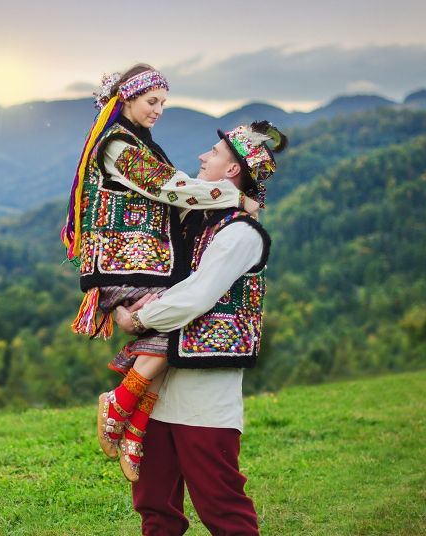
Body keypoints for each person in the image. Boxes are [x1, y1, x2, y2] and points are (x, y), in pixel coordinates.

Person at [60, 63, 260, 481]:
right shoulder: (119, 146)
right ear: (127, 99)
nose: (159, 110)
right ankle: (122, 405)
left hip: (143, 262)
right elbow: (169, 187)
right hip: (124, 264)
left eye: (164, 103)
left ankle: (134, 426)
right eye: (152, 101)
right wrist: (233, 196)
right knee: (171, 328)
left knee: (172, 331)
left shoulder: (135, 141)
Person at [114, 120, 288, 535]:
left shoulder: (241, 235)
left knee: (221, 504)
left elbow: (196, 295)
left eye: (213, 154)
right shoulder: (198, 224)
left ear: (232, 171)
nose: (202, 157)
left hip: (205, 394)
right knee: (155, 502)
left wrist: (137, 319)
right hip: (161, 386)